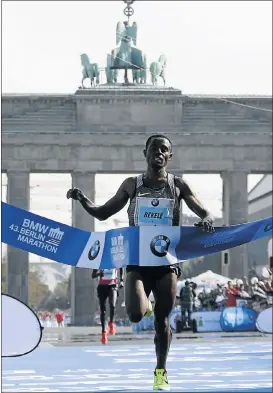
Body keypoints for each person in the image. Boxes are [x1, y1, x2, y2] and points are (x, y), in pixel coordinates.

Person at [67, 134, 214, 391]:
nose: (159, 152)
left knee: (162, 321)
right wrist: (82, 199)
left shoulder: (178, 185)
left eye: (164, 149)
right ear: (144, 152)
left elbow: (204, 212)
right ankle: (144, 306)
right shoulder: (131, 185)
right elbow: (102, 213)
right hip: (136, 261)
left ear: (170, 156)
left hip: (166, 263)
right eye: (154, 148)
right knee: (135, 314)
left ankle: (160, 371)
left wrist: (207, 219)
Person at [92, 268, 124, 344]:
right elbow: (93, 275)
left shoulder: (115, 260)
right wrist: (99, 274)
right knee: (103, 310)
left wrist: (121, 280)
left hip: (112, 286)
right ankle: (103, 333)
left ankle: (111, 323)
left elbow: (121, 267)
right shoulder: (100, 262)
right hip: (102, 287)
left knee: (112, 304)